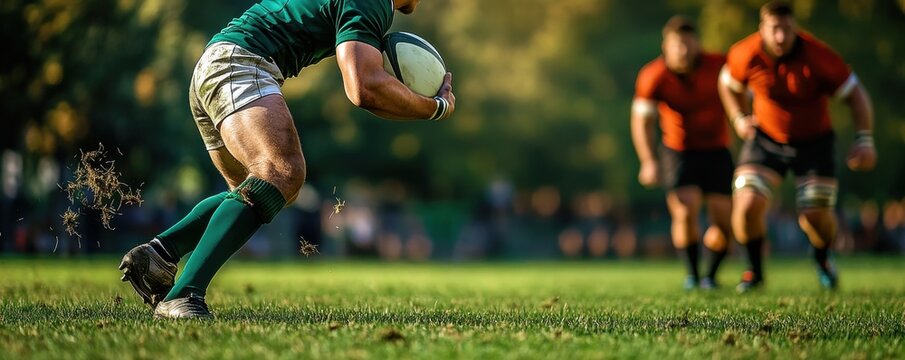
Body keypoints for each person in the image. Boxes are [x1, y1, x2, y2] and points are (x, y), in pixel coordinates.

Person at [119, 0, 455, 319]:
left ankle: (160, 253)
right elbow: (363, 87)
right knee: (282, 172)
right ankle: (184, 293)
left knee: (255, 191)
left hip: (217, 62)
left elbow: (372, 93)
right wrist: (436, 108)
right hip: (241, 63)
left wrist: (424, 109)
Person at [718, 1, 875, 292]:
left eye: (787, 29)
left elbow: (856, 95)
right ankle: (754, 271)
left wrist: (864, 140)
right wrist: (739, 118)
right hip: (765, 139)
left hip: (814, 142)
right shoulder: (745, 53)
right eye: (774, 29)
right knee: (746, 205)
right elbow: (726, 82)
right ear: (762, 29)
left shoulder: (818, 56)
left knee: (814, 216)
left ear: (795, 29)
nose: (780, 37)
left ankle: (822, 257)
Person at [630, 16, 733, 290]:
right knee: (685, 210)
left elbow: (743, 94)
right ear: (665, 46)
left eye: (688, 44)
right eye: (677, 45)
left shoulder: (720, 65)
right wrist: (648, 161)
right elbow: (642, 121)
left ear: (698, 44)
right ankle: (692, 275)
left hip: (716, 148)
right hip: (678, 150)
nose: (683, 51)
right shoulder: (653, 75)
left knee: (724, 223)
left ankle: (710, 275)